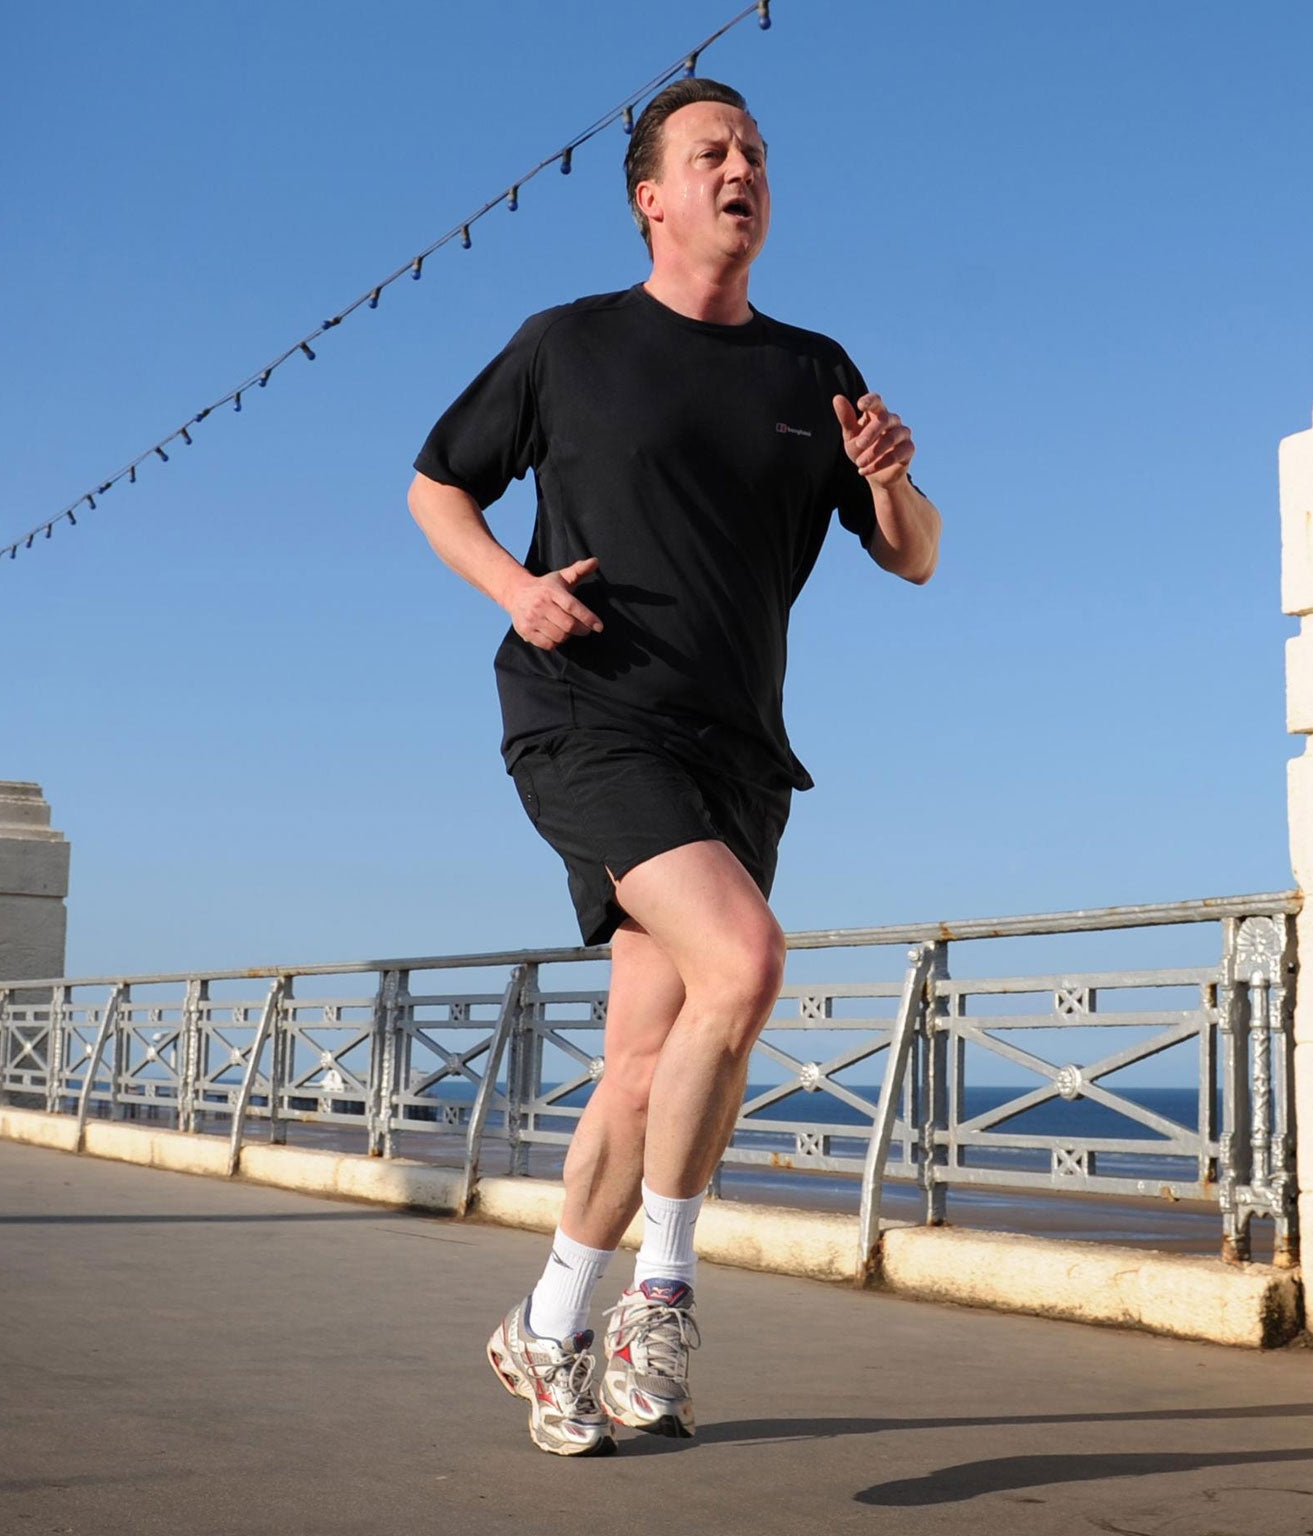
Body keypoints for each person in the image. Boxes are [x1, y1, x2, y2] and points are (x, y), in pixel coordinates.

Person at [406, 76, 941, 1457]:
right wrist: (512, 594)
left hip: (737, 753)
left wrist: (884, 473)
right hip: (586, 715)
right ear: (654, 196)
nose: (742, 168)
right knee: (748, 963)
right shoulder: (568, 345)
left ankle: (545, 1326)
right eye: (714, 152)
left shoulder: (809, 368)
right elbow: (434, 485)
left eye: (757, 150)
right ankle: (663, 1295)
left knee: (644, 1059)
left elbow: (916, 551)